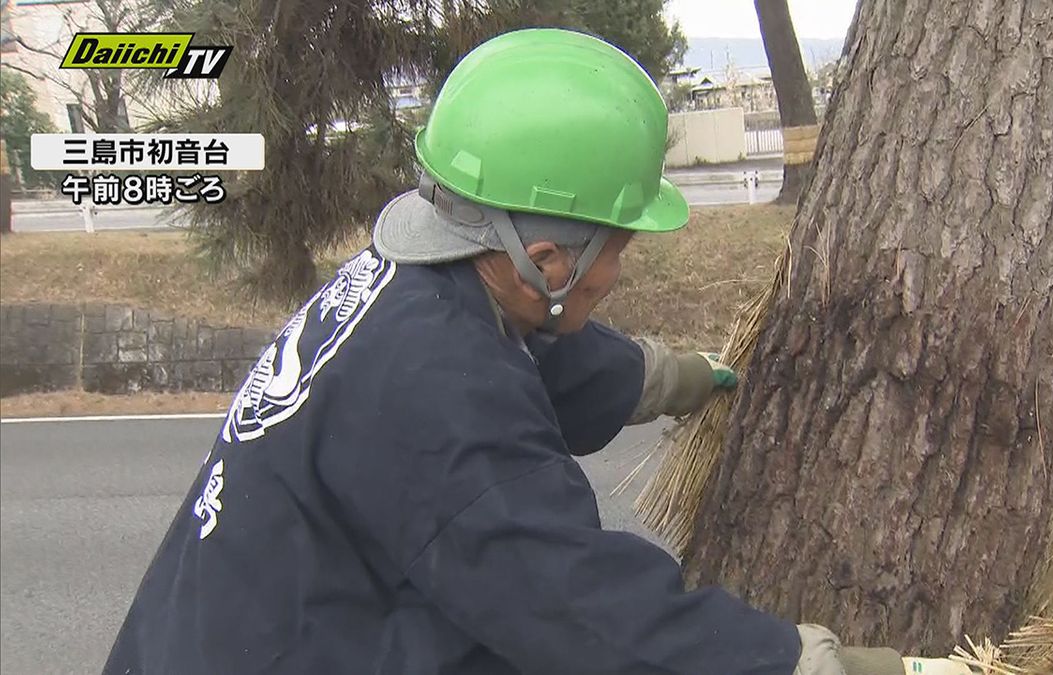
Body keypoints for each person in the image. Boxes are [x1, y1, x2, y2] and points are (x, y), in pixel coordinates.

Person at [104, 29, 976, 675]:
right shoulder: (441, 399)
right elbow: (577, 609)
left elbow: (542, 354)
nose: (622, 270)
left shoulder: (415, 285)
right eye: (619, 246)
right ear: (545, 258)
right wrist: (814, 663)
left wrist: (670, 377)